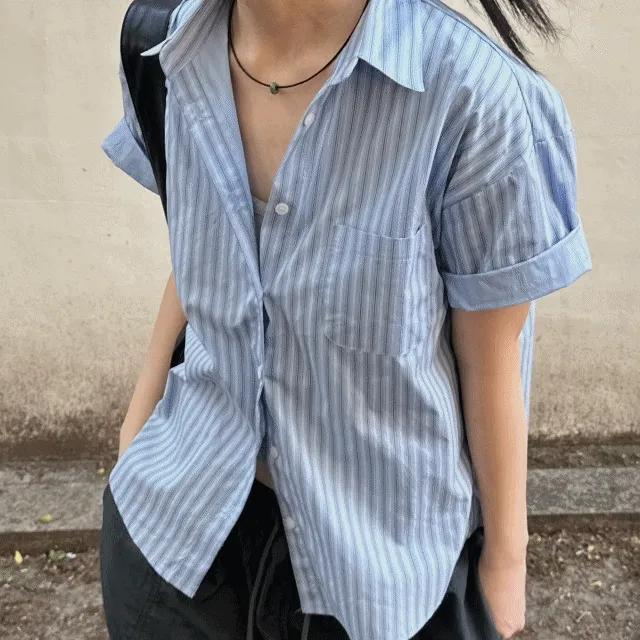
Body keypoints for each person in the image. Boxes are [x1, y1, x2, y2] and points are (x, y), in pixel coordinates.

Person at [98, 0, 592, 638]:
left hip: (381, 575)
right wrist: (135, 428)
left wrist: (504, 563)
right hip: (174, 536)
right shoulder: (164, 46)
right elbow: (204, 250)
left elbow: (491, 361)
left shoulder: (474, 98)